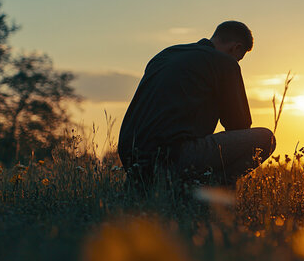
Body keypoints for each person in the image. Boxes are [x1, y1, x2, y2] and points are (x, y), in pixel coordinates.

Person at [118, 21, 275, 187]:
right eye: (239, 59)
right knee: (265, 138)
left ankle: (167, 189)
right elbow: (239, 125)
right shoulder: (224, 63)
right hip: (173, 157)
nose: (237, 63)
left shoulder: (166, 54)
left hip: (132, 159)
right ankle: (207, 193)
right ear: (235, 48)